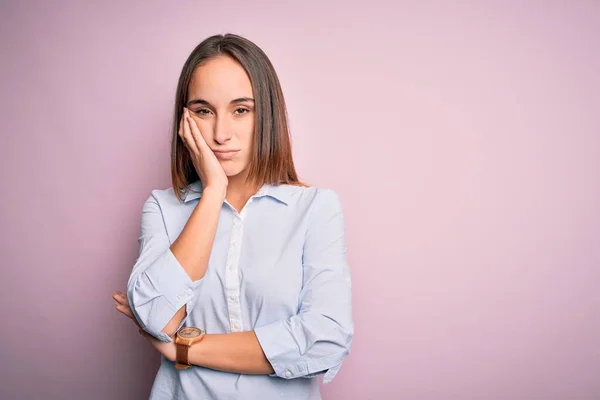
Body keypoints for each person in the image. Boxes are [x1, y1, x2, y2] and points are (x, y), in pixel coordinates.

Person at [112, 33, 353, 400]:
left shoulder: (315, 208)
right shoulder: (162, 207)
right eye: (204, 111)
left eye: (241, 109)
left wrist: (183, 349)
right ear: (185, 120)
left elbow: (325, 339)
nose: (221, 134)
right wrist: (212, 192)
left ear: (266, 114)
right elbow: (158, 319)